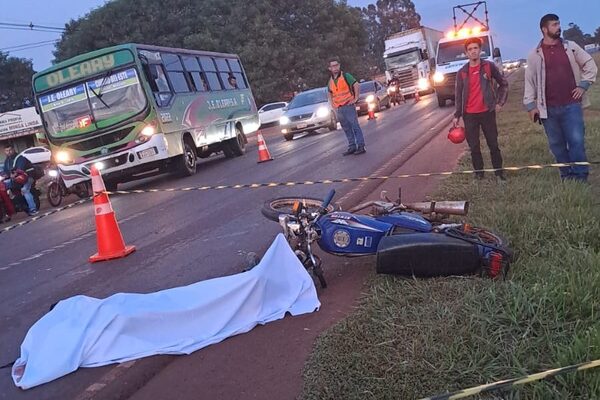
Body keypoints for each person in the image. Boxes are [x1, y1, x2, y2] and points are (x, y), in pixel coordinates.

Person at [523, 13, 598, 182]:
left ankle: (581, 176)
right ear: (544, 29)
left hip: (572, 105)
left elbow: (589, 63)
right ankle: (566, 175)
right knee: (557, 146)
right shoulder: (535, 55)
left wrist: (583, 85)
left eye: (559, 24)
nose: (559, 27)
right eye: (554, 25)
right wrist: (530, 105)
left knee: (576, 141)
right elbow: (530, 82)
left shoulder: (570, 47)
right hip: (548, 109)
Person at [453, 37, 509, 181]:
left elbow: (504, 84)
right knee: (474, 147)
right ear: (466, 53)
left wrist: (499, 103)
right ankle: (479, 174)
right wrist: (457, 115)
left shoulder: (488, 67)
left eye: (475, 48)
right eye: (470, 49)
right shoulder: (462, 72)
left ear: (480, 50)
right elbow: (458, 95)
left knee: (493, 144)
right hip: (469, 115)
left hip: (487, 113)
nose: (473, 51)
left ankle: (499, 173)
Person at [327, 58, 366, 155]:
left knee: (354, 126)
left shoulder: (346, 76)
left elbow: (356, 85)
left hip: (348, 105)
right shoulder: (330, 81)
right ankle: (352, 146)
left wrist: (356, 98)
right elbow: (330, 93)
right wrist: (333, 105)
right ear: (329, 68)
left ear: (339, 66)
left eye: (336, 65)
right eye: (333, 66)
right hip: (339, 108)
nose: (335, 68)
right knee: (346, 128)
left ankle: (361, 146)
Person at [3, 144, 38, 215]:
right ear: (5, 152)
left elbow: (20, 169)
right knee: (4, 187)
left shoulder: (20, 158)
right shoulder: (7, 161)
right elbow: (5, 170)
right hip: (17, 179)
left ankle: (33, 209)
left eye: (10, 150)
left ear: (13, 150)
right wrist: (4, 175)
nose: (9, 152)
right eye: (7, 151)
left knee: (25, 190)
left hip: (28, 177)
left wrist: (14, 174)